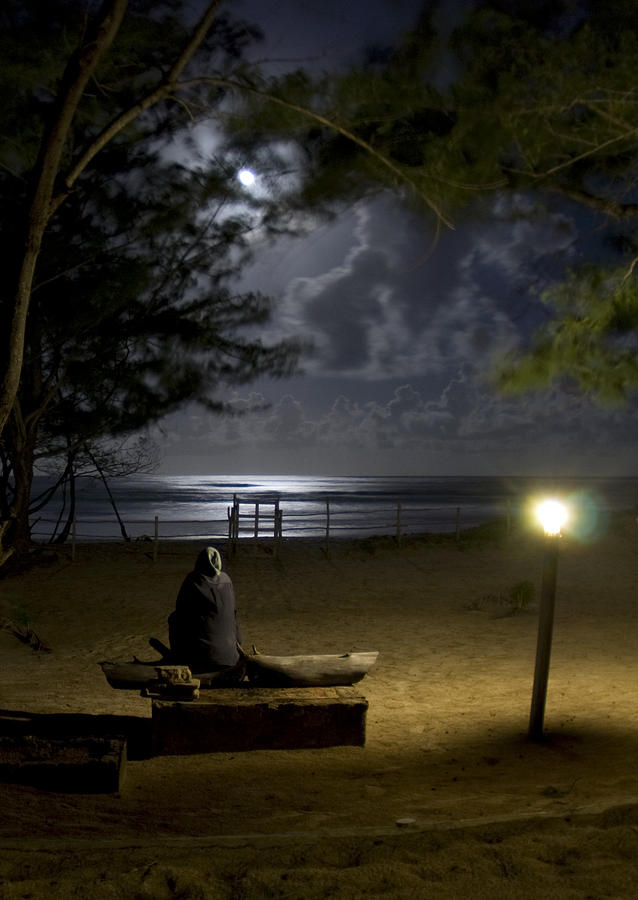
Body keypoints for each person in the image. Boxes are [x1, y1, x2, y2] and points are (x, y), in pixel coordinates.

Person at [167, 545, 244, 680]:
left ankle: (180, 658)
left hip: (204, 657)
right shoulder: (227, 579)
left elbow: (181, 610)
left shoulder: (194, 580)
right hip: (232, 656)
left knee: (174, 619)